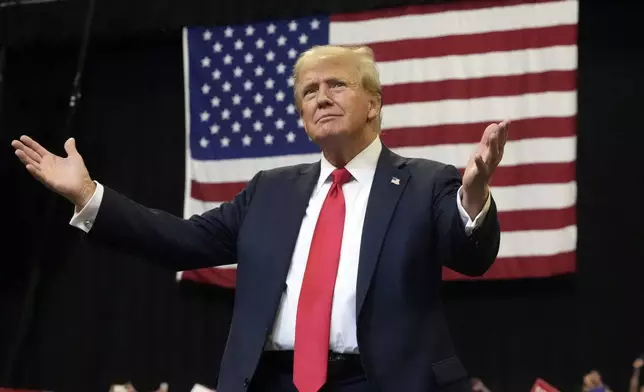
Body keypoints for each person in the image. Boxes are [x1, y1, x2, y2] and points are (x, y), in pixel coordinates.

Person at [12, 45, 507, 392]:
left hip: (380, 381)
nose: (321, 97)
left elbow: (470, 255)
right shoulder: (270, 190)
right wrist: (88, 194)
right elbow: (182, 241)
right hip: (273, 381)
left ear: (374, 104)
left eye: (337, 84)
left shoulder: (426, 183)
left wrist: (474, 197)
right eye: (309, 91)